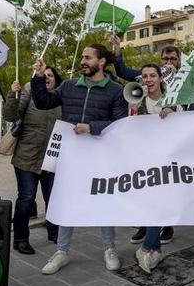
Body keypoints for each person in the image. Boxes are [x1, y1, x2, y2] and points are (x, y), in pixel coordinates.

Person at [31, 44, 129, 274]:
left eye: (88, 57)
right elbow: (43, 102)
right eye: (82, 57)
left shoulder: (115, 90)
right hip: (72, 156)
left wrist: (92, 127)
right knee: (68, 200)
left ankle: (109, 249)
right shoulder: (69, 85)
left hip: (101, 156)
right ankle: (62, 251)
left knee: (104, 200)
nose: (83, 61)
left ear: (101, 61)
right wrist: (37, 77)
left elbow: (120, 124)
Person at [3, 67, 63, 255]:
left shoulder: (61, 97)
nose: (46, 79)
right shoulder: (28, 92)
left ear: (56, 80)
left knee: (53, 198)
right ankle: (20, 239)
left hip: (52, 158)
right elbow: (10, 115)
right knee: (26, 198)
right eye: (43, 76)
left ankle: (54, 232)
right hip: (27, 157)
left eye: (50, 76)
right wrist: (12, 95)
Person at [131, 64, 181, 273]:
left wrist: (174, 110)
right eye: (145, 76)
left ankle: (148, 247)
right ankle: (154, 249)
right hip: (146, 161)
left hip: (169, 162)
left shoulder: (174, 100)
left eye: (153, 75)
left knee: (159, 204)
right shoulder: (137, 102)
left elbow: (185, 125)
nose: (148, 80)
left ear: (161, 78)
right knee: (153, 205)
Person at [110, 34, 181, 82]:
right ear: (161, 59)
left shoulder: (186, 77)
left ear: (178, 60)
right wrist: (117, 46)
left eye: (173, 59)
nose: (168, 62)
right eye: (165, 59)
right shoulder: (149, 75)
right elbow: (123, 72)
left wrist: (176, 75)